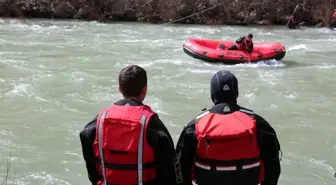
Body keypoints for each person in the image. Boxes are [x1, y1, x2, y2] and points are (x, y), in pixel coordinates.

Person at [79, 65, 182, 185]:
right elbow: (169, 170)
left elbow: (88, 151)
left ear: (120, 90)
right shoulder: (151, 124)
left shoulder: (98, 122)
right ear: (144, 90)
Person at [176, 70, 282, 185]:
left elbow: (180, 170)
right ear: (236, 92)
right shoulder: (259, 125)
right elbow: (273, 168)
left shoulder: (195, 127)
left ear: (213, 93)